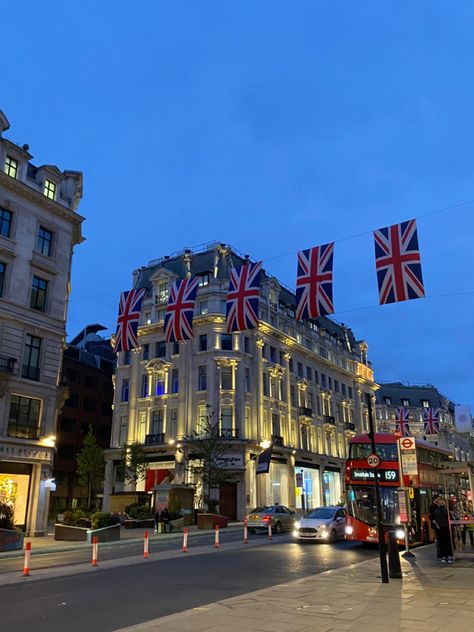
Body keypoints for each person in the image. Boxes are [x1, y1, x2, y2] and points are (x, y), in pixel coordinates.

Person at [432, 499, 454, 563]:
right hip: (447, 529)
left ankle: (444, 556)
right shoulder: (447, 511)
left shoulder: (435, 511)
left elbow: (433, 520)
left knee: (442, 543)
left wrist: (437, 526)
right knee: (448, 542)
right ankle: (450, 556)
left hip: (440, 529)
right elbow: (451, 520)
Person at [429, 493, 441, 558]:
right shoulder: (432, 506)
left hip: (438, 524)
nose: (439, 500)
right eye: (438, 499)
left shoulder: (437, 506)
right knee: (438, 539)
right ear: (435, 499)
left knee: (439, 539)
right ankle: (439, 553)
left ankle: (440, 552)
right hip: (436, 524)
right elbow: (432, 516)